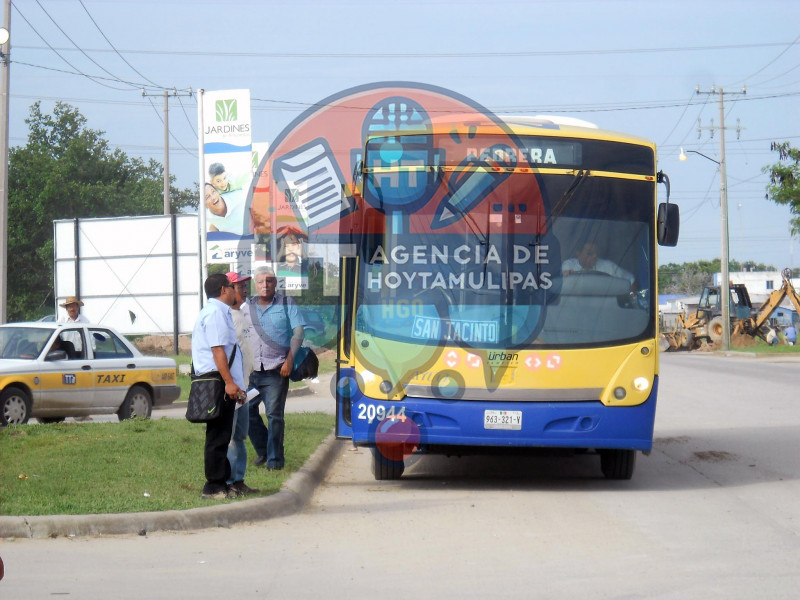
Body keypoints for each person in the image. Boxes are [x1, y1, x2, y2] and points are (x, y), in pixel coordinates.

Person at [191, 273, 246, 500]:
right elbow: (218, 350)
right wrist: (230, 383)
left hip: (221, 382)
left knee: (222, 435)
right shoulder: (215, 313)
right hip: (219, 383)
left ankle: (221, 482)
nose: (235, 291)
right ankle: (213, 486)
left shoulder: (216, 312)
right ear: (224, 290)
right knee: (217, 436)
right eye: (232, 287)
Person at [247, 265, 306, 470]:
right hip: (251, 373)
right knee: (246, 411)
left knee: (274, 416)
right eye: (261, 281)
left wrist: (290, 360)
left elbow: (298, 332)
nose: (265, 285)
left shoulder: (287, 303)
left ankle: (274, 462)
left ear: (276, 283)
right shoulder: (247, 306)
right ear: (256, 284)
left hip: (276, 371)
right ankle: (264, 450)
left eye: (270, 281)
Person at [224, 271, 260, 496]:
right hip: (231, 389)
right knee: (228, 438)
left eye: (245, 286)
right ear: (227, 291)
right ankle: (227, 481)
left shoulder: (242, 314)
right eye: (240, 287)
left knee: (240, 436)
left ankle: (239, 480)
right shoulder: (225, 317)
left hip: (244, 388)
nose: (245, 290)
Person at [562, 240, 635, 285]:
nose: (595, 256)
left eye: (596, 253)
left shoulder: (608, 266)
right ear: (578, 254)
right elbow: (562, 283)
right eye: (590, 253)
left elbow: (631, 281)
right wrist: (565, 276)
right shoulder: (569, 265)